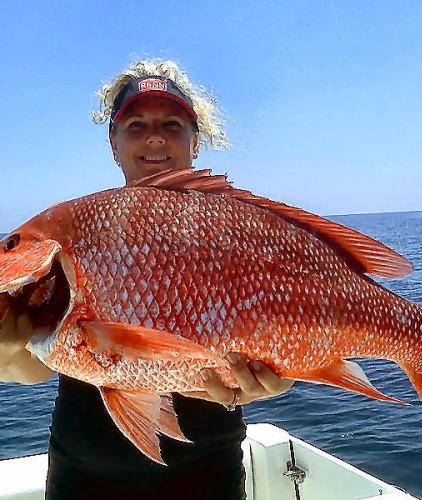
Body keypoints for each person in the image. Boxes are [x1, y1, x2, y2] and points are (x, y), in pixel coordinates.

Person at [0, 59, 293, 499]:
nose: (155, 135)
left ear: (196, 143)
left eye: (172, 124)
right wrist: (5, 347)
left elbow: (297, 319)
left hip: (208, 474)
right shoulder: (79, 231)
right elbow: (31, 366)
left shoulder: (238, 229)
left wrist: (275, 379)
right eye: (135, 123)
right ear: (113, 144)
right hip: (83, 479)